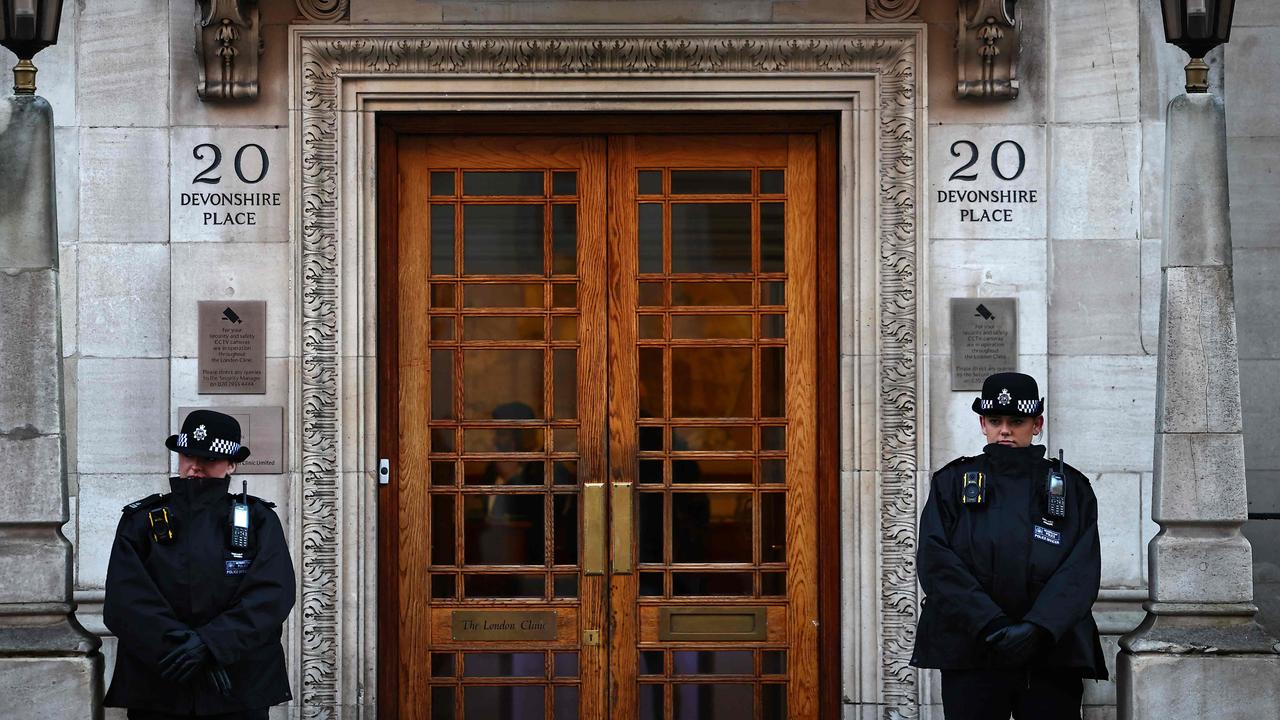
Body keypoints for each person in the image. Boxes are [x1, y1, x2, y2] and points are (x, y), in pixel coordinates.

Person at [910, 372, 1107, 719]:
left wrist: (1038, 628)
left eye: (1016, 421)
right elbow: (936, 562)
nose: (1005, 430)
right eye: (996, 420)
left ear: (1036, 424)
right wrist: (991, 625)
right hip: (973, 650)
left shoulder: (1072, 488)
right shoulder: (952, 484)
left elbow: (1081, 569)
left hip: (1050, 654)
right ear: (983, 424)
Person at [103, 409, 296, 720]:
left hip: (237, 685)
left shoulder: (259, 520)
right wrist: (179, 648)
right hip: (160, 684)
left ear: (232, 464)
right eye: (188, 456)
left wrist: (211, 645)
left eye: (209, 459)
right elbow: (125, 600)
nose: (195, 467)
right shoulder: (140, 520)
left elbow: (272, 595)